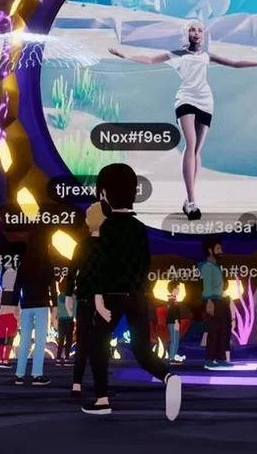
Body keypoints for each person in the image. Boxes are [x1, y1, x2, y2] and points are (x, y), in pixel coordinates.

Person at [106, 22, 257, 220]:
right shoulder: (177, 54)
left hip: (205, 100)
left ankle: (189, 199)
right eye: (192, 29)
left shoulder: (207, 55)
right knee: (190, 144)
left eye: (199, 30)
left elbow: (234, 63)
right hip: (185, 99)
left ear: (203, 35)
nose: (196, 33)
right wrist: (124, 56)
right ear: (186, 33)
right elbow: (150, 60)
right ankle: (191, 201)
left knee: (197, 150)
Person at [77, 163, 182, 419]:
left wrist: (98, 297)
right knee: (142, 350)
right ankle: (168, 377)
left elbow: (100, 265)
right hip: (137, 295)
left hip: (111, 295)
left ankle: (102, 399)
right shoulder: (139, 228)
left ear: (104, 194)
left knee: (98, 343)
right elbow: (144, 264)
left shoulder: (106, 228)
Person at [13, 230, 57, 385]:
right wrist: (55, 306)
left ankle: (19, 375)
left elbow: (17, 285)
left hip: (26, 306)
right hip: (42, 305)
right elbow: (52, 286)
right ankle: (37, 375)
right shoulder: (46, 261)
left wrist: (15, 304)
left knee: (24, 340)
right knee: (39, 341)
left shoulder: (24, 262)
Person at [69, 203, 104, 395]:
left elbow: (72, 271)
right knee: (100, 343)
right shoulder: (108, 245)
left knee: (83, 342)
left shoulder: (82, 245)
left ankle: (77, 383)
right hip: (102, 299)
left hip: (84, 297)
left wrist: (68, 294)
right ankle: (100, 387)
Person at [199, 238, 232, 369]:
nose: (221, 251)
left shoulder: (215, 266)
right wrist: (209, 301)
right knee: (214, 330)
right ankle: (209, 359)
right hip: (213, 301)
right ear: (210, 250)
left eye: (220, 248)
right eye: (218, 249)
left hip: (220, 301)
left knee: (223, 330)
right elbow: (207, 285)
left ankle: (220, 358)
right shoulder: (207, 267)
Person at [0, 258, 20, 370]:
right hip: (12, 317)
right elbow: (18, 309)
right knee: (10, 339)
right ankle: (6, 359)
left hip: (2, 317)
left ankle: (0, 359)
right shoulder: (16, 293)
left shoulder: (1, 292)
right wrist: (18, 320)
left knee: (1, 338)